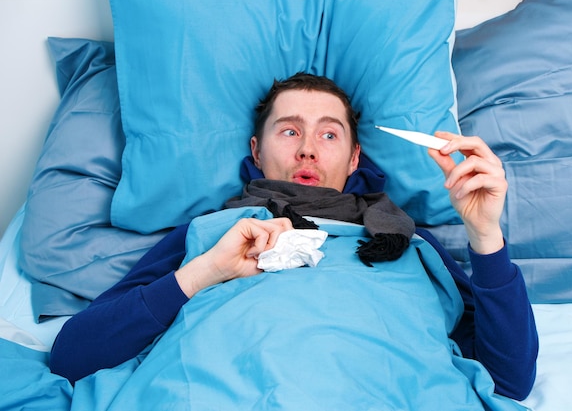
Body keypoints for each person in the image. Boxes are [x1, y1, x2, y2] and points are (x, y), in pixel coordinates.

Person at [49, 73, 538, 400]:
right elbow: (72, 356)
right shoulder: (209, 235)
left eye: (329, 135)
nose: (307, 150)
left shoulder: (411, 245)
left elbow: (510, 380)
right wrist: (204, 273)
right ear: (257, 151)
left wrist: (485, 235)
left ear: (353, 160)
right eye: (289, 131)